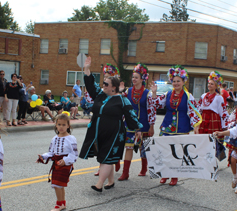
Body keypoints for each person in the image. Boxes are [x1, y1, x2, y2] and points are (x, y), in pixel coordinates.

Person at [80, 56, 142, 192]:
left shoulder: (122, 99)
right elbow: (91, 84)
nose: (103, 86)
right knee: (104, 156)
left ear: (114, 87)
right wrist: (87, 68)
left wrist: (137, 128)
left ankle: (99, 184)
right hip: (99, 131)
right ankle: (111, 181)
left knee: (107, 157)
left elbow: (131, 114)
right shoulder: (100, 95)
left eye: (106, 84)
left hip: (114, 132)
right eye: (103, 83)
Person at [150, 65, 202, 186]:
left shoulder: (188, 96)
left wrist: (196, 126)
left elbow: (194, 111)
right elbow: (156, 104)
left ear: (184, 82)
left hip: (181, 127)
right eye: (174, 81)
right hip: (167, 125)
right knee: (166, 151)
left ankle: (174, 176)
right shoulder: (168, 94)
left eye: (178, 81)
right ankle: (165, 174)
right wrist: (154, 93)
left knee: (177, 153)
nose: (176, 83)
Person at [118, 63, 155, 181]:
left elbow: (151, 110)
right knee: (128, 147)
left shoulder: (147, 93)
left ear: (142, 79)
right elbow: (119, 103)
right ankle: (125, 173)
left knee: (142, 148)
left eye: (136, 77)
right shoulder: (128, 91)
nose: (133, 79)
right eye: (133, 77)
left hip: (143, 125)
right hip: (129, 125)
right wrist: (119, 92)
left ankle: (144, 168)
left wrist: (152, 126)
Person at [37, 112, 78, 211]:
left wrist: (65, 161)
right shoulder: (54, 138)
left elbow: (74, 154)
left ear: (68, 125)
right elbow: (52, 152)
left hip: (65, 164)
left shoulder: (71, 139)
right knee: (59, 185)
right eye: (59, 124)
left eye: (64, 125)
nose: (61, 127)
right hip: (56, 163)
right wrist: (43, 156)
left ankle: (58, 204)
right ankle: (62, 203)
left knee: (57, 185)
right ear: (56, 125)